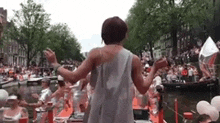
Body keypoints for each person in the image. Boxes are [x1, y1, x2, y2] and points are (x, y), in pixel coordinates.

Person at [44, 16, 168, 123]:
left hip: (99, 112)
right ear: (125, 35)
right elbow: (143, 88)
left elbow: (73, 78)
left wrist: (55, 64)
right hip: (123, 114)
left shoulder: (95, 54)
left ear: (103, 35)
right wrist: (155, 68)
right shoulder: (133, 59)